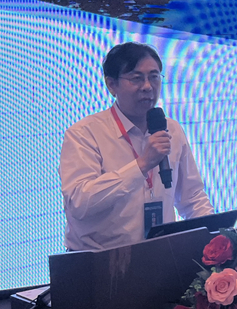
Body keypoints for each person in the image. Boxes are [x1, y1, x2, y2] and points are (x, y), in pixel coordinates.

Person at [59, 42, 214, 251]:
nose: (148, 87)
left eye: (154, 77)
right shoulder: (84, 133)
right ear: (111, 84)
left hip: (160, 256)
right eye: (136, 78)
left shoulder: (172, 130)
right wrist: (142, 165)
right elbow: (80, 203)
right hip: (97, 261)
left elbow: (192, 197)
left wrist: (216, 237)